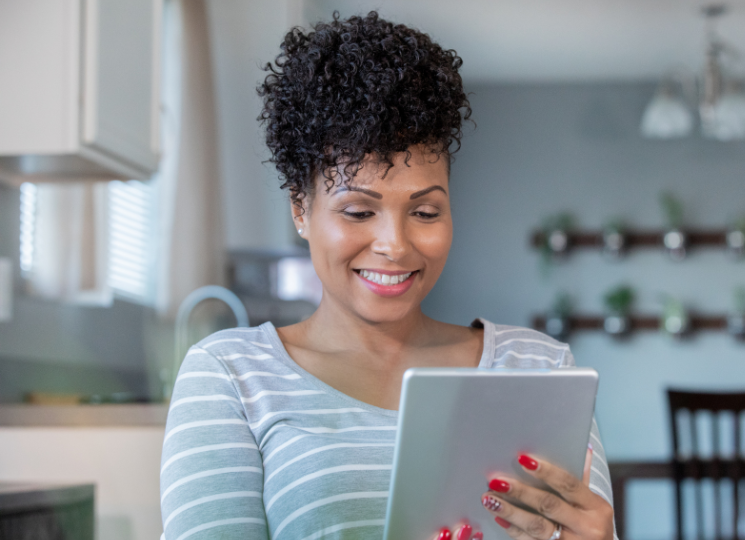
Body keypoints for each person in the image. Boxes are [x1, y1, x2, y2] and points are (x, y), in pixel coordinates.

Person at [160, 12, 616, 540]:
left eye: (425, 212)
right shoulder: (231, 378)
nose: (395, 245)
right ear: (300, 210)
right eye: (358, 212)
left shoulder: (540, 367)